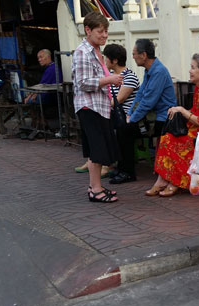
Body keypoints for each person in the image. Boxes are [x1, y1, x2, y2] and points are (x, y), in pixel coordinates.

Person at [146, 54, 199, 197]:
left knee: (178, 142)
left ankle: (175, 182)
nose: (190, 71)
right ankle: (162, 180)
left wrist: (182, 110)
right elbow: (197, 114)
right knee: (167, 137)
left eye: (193, 68)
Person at [72, 11, 123, 203]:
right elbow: (83, 82)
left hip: (99, 106)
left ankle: (96, 187)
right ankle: (95, 189)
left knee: (97, 149)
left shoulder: (96, 51)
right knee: (96, 148)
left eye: (106, 31)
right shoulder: (82, 52)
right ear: (88, 30)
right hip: (89, 107)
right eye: (100, 31)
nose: (104, 35)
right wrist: (109, 79)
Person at [110, 38, 176, 184]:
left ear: (143, 55)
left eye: (134, 54)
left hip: (163, 119)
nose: (133, 57)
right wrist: (129, 114)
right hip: (152, 117)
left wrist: (132, 119)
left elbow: (148, 102)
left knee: (125, 130)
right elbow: (140, 95)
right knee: (122, 127)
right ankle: (122, 169)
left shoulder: (158, 71)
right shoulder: (149, 70)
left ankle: (128, 172)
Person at [75, 43, 140, 178]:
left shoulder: (129, 77)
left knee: (104, 126)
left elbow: (117, 101)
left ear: (115, 60)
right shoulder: (109, 75)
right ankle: (93, 160)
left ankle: (104, 163)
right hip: (110, 113)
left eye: (106, 58)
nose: (104, 61)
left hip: (123, 116)